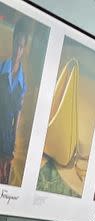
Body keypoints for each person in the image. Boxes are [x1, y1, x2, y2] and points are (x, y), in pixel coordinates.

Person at [0, 18, 32, 185]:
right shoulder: (0, 69)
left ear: (24, 49)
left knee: (3, 178)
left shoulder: (22, 82)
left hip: (6, 136)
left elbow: (18, 114)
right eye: (16, 44)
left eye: (21, 47)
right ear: (12, 42)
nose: (17, 50)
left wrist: (12, 140)